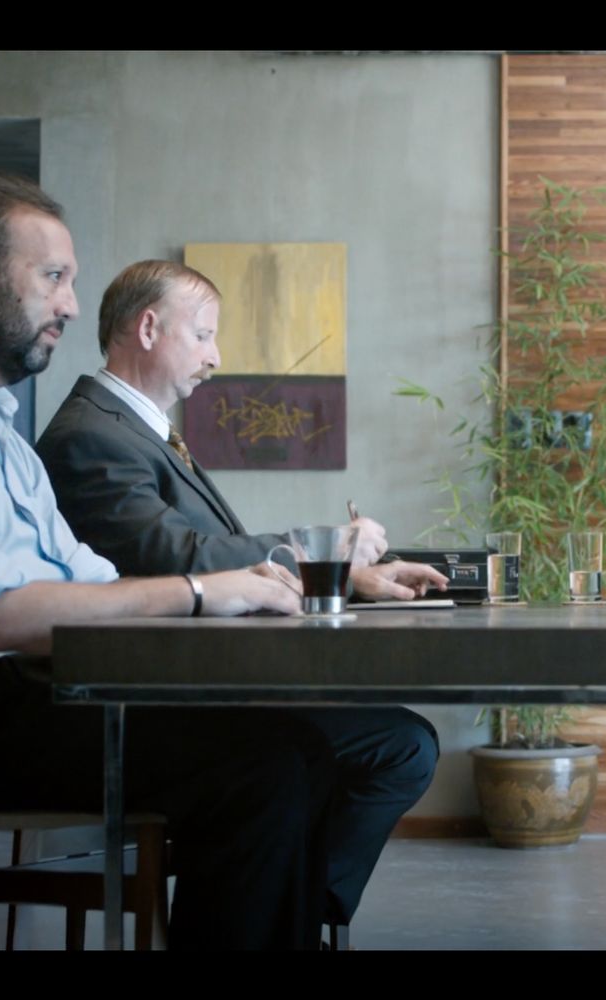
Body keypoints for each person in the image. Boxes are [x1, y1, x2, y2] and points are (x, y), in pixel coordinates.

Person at [0, 173, 335, 950]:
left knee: (301, 750)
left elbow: (87, 575)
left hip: (16, 699)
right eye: (53, 277)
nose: (73, 306)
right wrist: (192, 591)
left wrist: (228, 592)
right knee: (266, 768)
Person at [36, 259, 447, 925]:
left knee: (400, 743)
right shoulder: (92, 436)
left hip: (197, 686)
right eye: (203, 335)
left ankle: (290, 916)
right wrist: (325, 550)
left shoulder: (133, 432)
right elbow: (178, 559)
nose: (216, 356)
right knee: (391, 747)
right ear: (147, 328)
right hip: (160, 704)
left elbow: (213, 560)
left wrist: (354, 580)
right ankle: (290, 917)